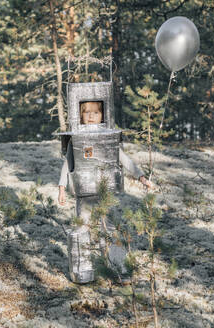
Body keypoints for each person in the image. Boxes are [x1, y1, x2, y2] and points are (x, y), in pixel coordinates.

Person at [58, 101, 152, 283]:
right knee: (82, 228)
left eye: (96, 112)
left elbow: (125, 159)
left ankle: (118, 269)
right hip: (85, 195)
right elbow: (67, 164)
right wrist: (61, 188)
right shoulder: (76, 140)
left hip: (106, 194)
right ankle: (82, 271)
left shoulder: (109, 139)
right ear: (80, 116)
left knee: (110, 230)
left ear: (103, 114)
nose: (91, 115)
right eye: (86, 112)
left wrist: (141, 177)